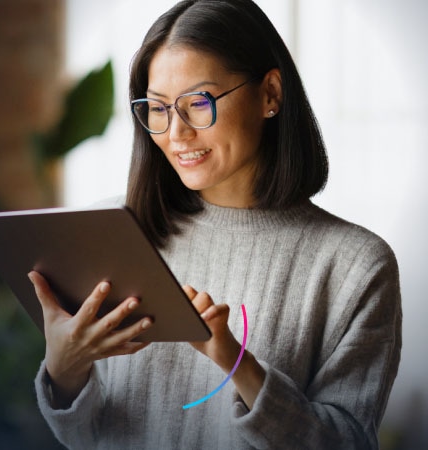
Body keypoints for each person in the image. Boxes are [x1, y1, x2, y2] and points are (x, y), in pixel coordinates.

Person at [27, 0, 402, 448]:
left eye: (199, 102)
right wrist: (64, 369)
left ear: (270, 94)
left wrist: (238, 363)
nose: (177, 133)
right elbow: (85, 436)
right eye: (159, 108)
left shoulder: (355, 266)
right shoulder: (115, 229)